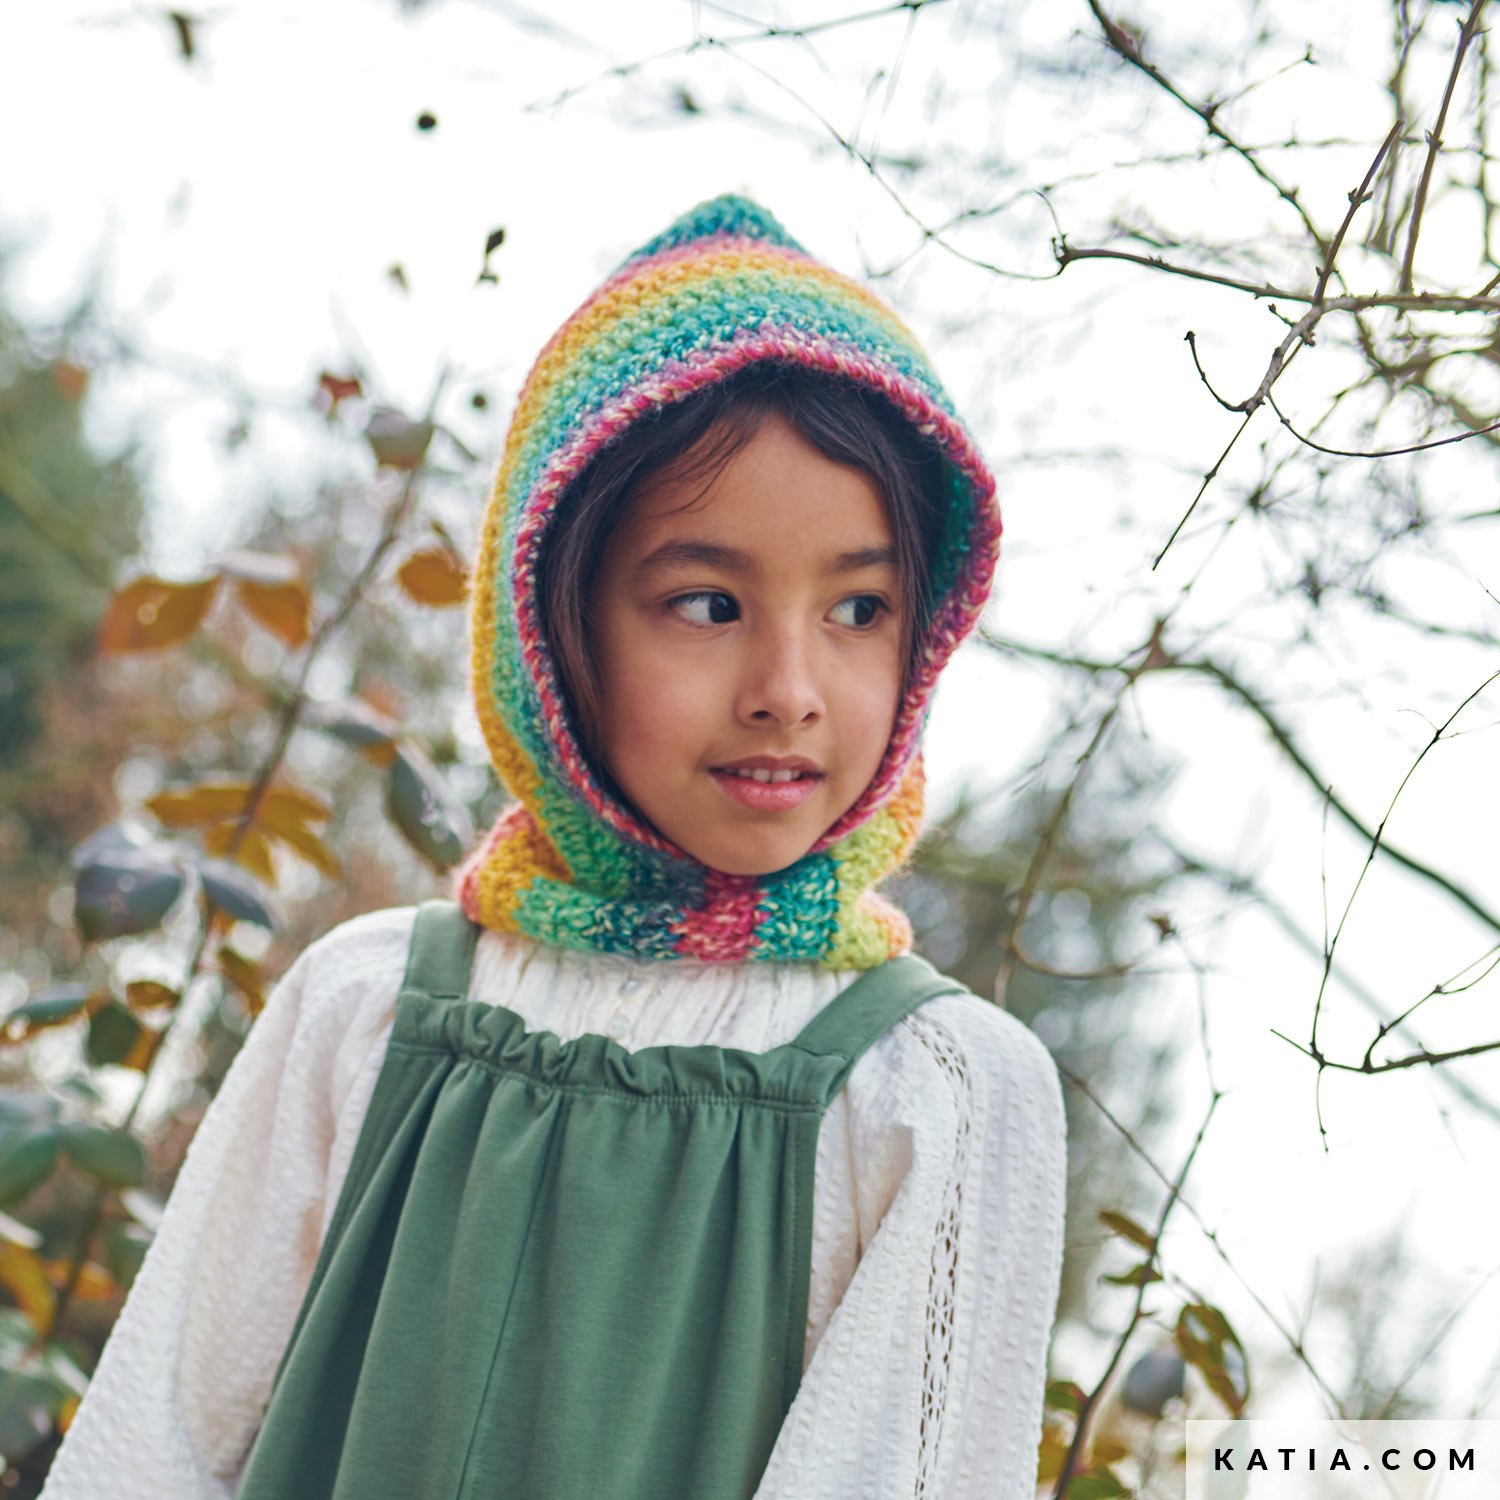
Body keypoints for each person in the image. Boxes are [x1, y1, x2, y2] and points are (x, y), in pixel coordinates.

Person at [38, 193, 1068, 1500]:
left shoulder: (935, 1092)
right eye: (708, 603)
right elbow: (149, 1451)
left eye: (860, 608)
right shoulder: (364, 1010)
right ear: (553, 623)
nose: (789, 689)